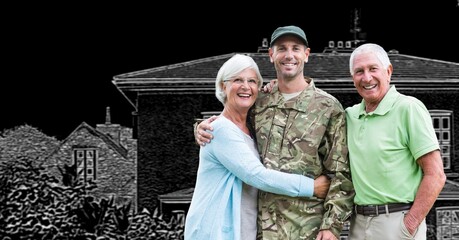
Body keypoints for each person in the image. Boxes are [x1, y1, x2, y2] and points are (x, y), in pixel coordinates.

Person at [194, 26, 355, 240]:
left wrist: (331, 226)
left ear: (306, 54)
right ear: (271, 55)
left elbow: (341, 174)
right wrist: (201, 127)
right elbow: (231, 124)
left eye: (296, 48)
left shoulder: (328, 108)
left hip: (307, 230)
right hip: (259, 231)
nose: (289, 55)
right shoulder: (258, 103)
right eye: (282, 48)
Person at [346, 43, 446, 239]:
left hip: (396, 224)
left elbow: (436, 175)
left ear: (388, 71)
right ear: (353, 78)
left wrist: (409, 225)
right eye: (359, 71)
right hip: (357, 225)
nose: (367, 78)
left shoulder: (408, 108)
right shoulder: (350, 116)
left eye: (373, 69)